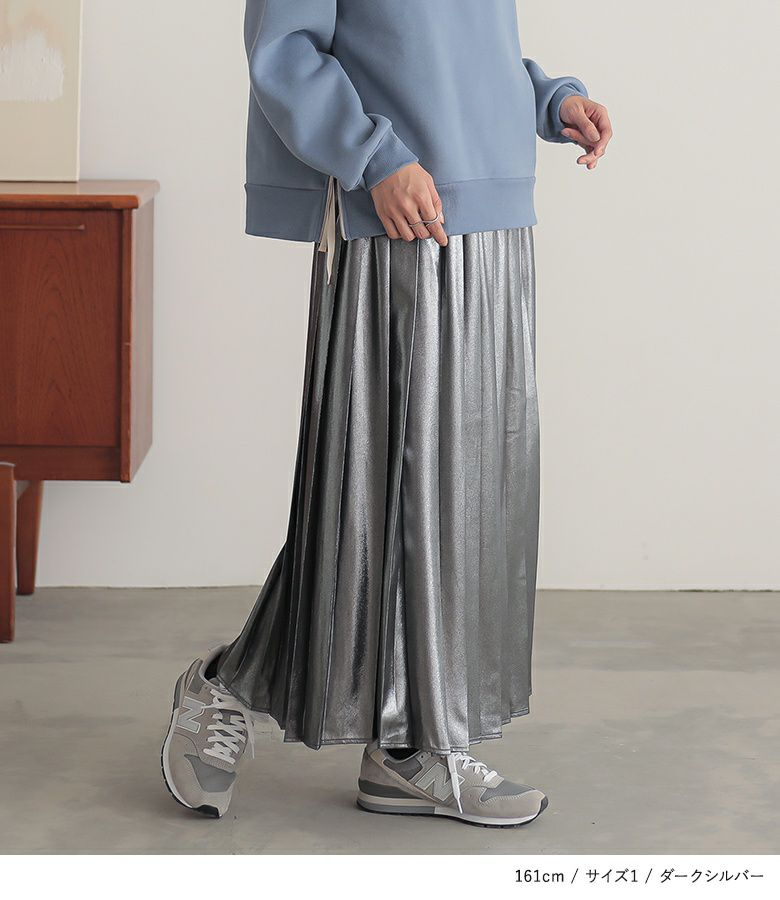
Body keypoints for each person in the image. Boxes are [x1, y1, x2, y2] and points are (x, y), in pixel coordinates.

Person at [161, 0, 612, 828]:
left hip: (495, 212)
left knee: (469, 508)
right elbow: (284, 52)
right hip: (397, 209)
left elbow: (453, 48)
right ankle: (234, 686)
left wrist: (550, 99)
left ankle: (408, 750)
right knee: (376, 507)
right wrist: (373, 158)